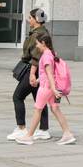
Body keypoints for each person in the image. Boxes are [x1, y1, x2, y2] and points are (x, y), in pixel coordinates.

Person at [14, 33, 76, 146]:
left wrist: (53, 89)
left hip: (46, 88)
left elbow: (50, 74)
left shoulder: (46, 56)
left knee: (38, 109)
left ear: (43, 43)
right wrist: (38, 81)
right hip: (50, 86)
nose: (37, 45)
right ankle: (67, 134)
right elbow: (46, 74)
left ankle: (28, 137)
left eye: (37, 43)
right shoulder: (51, 54)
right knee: (55, 109)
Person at [8, 9, 51, 141]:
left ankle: (21, 128)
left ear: (36, 19)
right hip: (39, 70)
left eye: (30, 18)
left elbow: (36, 57)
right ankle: (44, 130)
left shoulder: (37, 35)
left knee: (17, 97)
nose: (28, 20)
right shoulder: (43, 32)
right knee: (40, 100)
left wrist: (32, 74)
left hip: (33, 69)